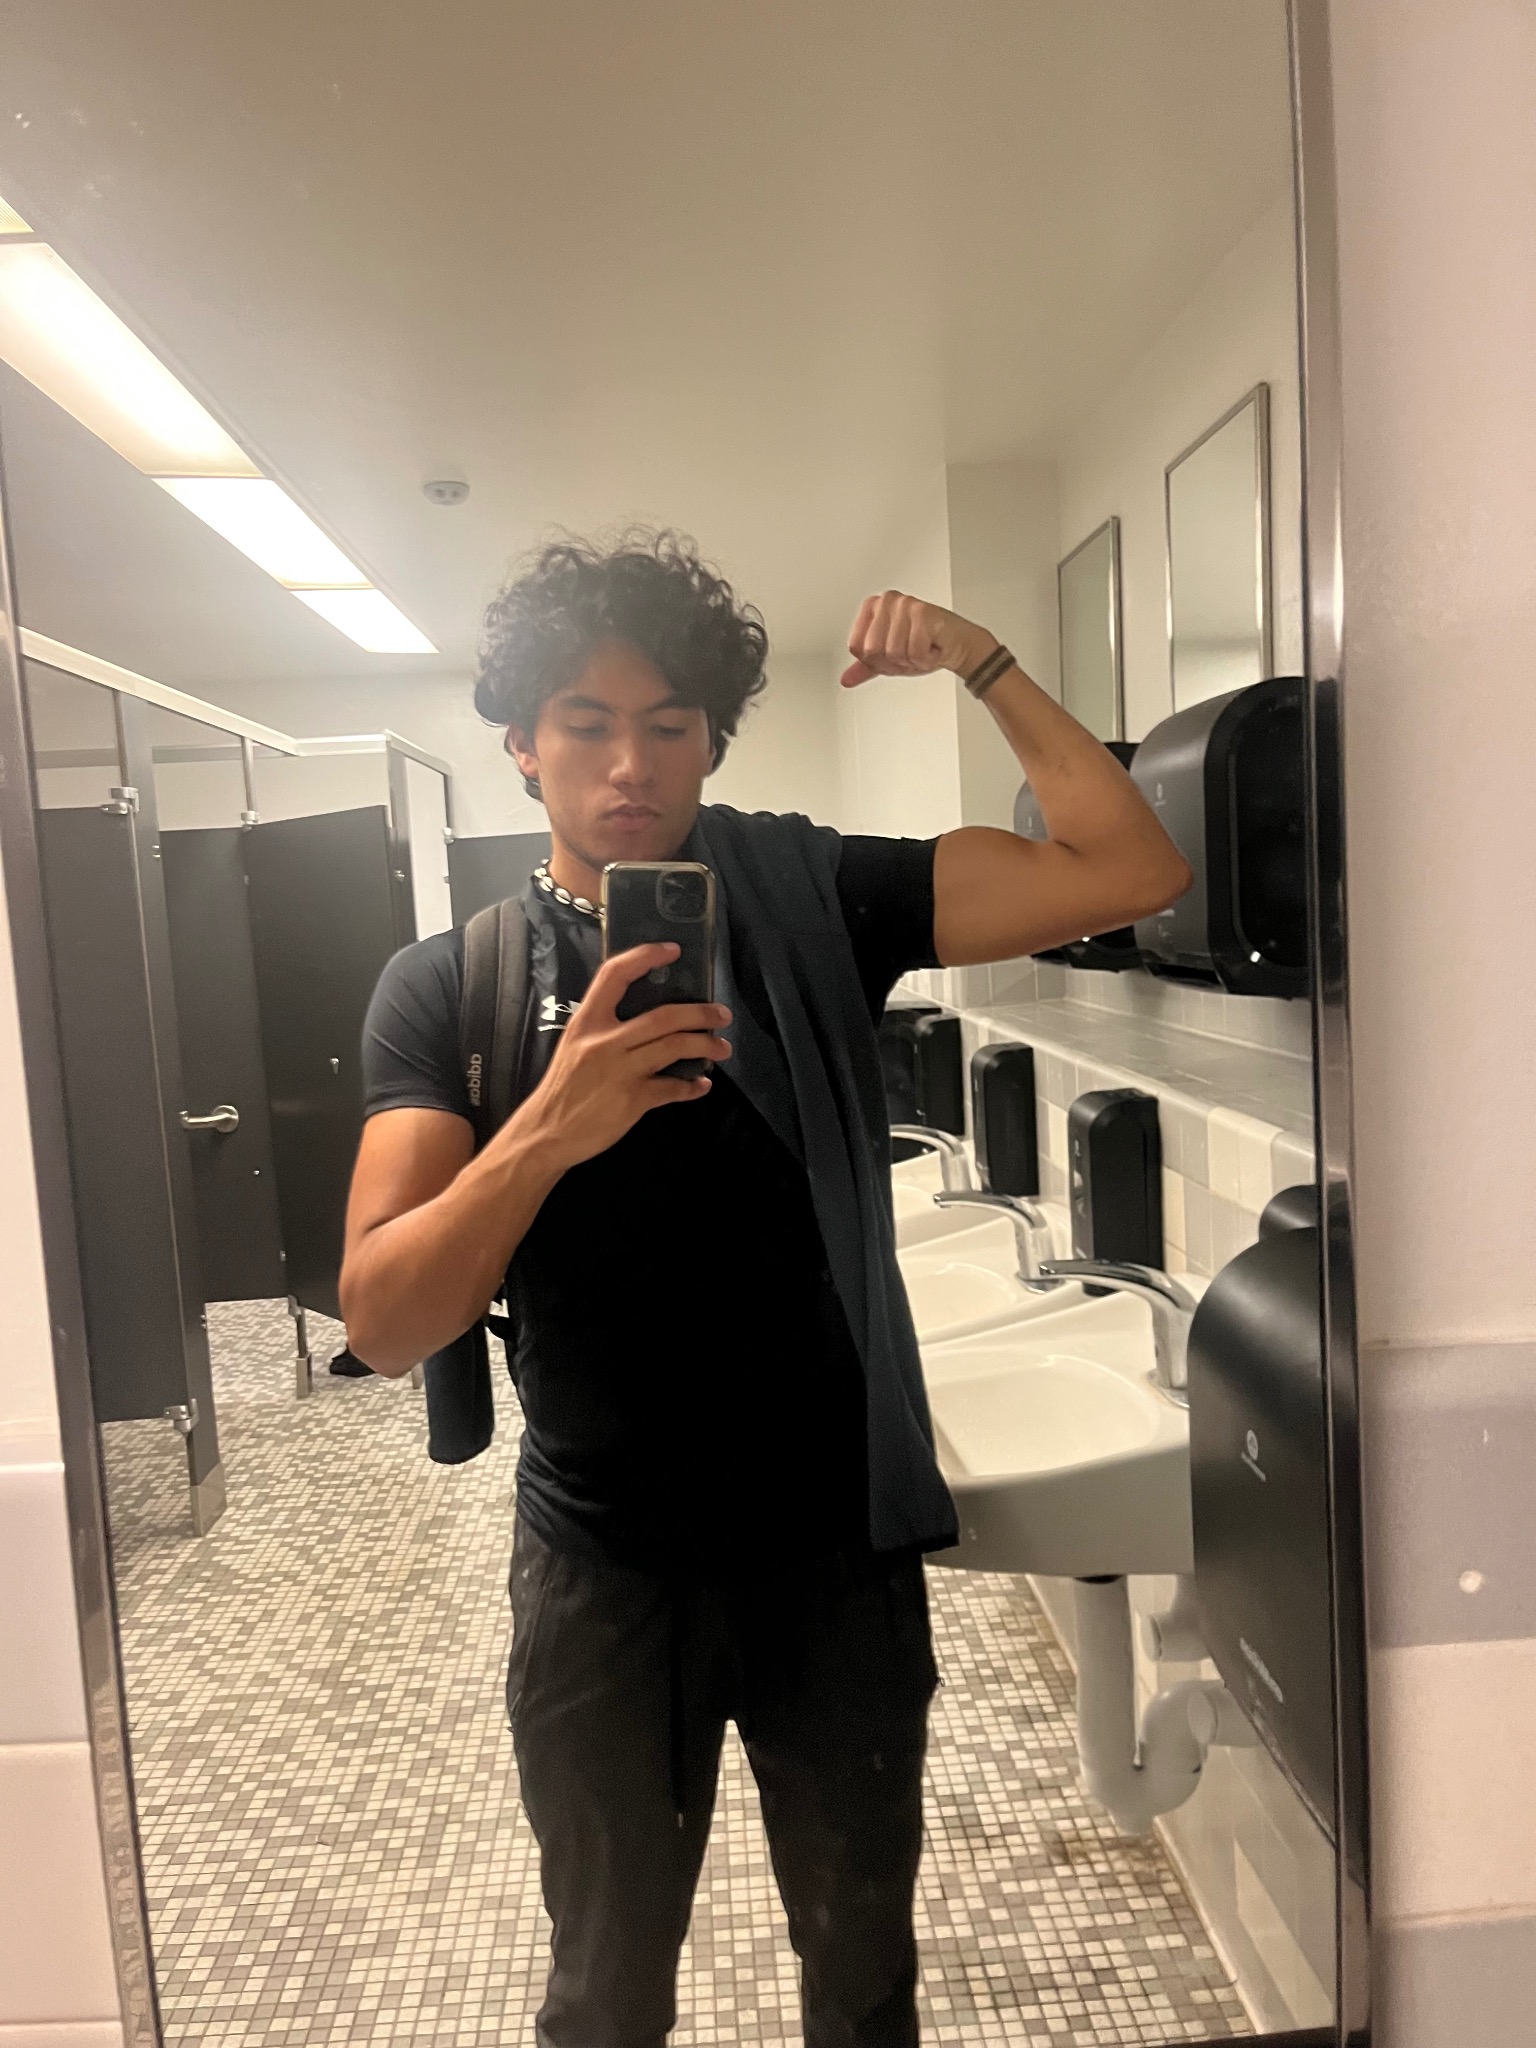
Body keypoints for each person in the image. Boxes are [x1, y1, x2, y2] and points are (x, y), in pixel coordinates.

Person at [340, 531, 1190, 2048]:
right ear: (521, 742)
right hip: (603, 1573)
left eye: (669, 725)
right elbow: (386, 1318)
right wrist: (549, 1126)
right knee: (604, 1995)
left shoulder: (817, 900)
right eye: (587, 725)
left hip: (830, 1566)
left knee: (863, 1986)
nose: (630, 765)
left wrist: (984, 661)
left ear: (713, 740)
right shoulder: (448, 986)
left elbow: (1131, 870)